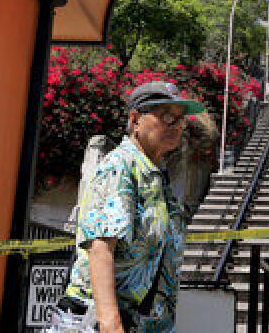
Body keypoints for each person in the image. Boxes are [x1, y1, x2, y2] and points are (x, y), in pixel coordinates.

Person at [52, 80, 206, 332]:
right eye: (167, 116)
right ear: (135, 120)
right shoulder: (120, 167)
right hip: (103, 320)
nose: (176, 126)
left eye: (180, 120)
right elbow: (100, 248)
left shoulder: (156, 176)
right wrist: (111, 324)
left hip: (144, 321)